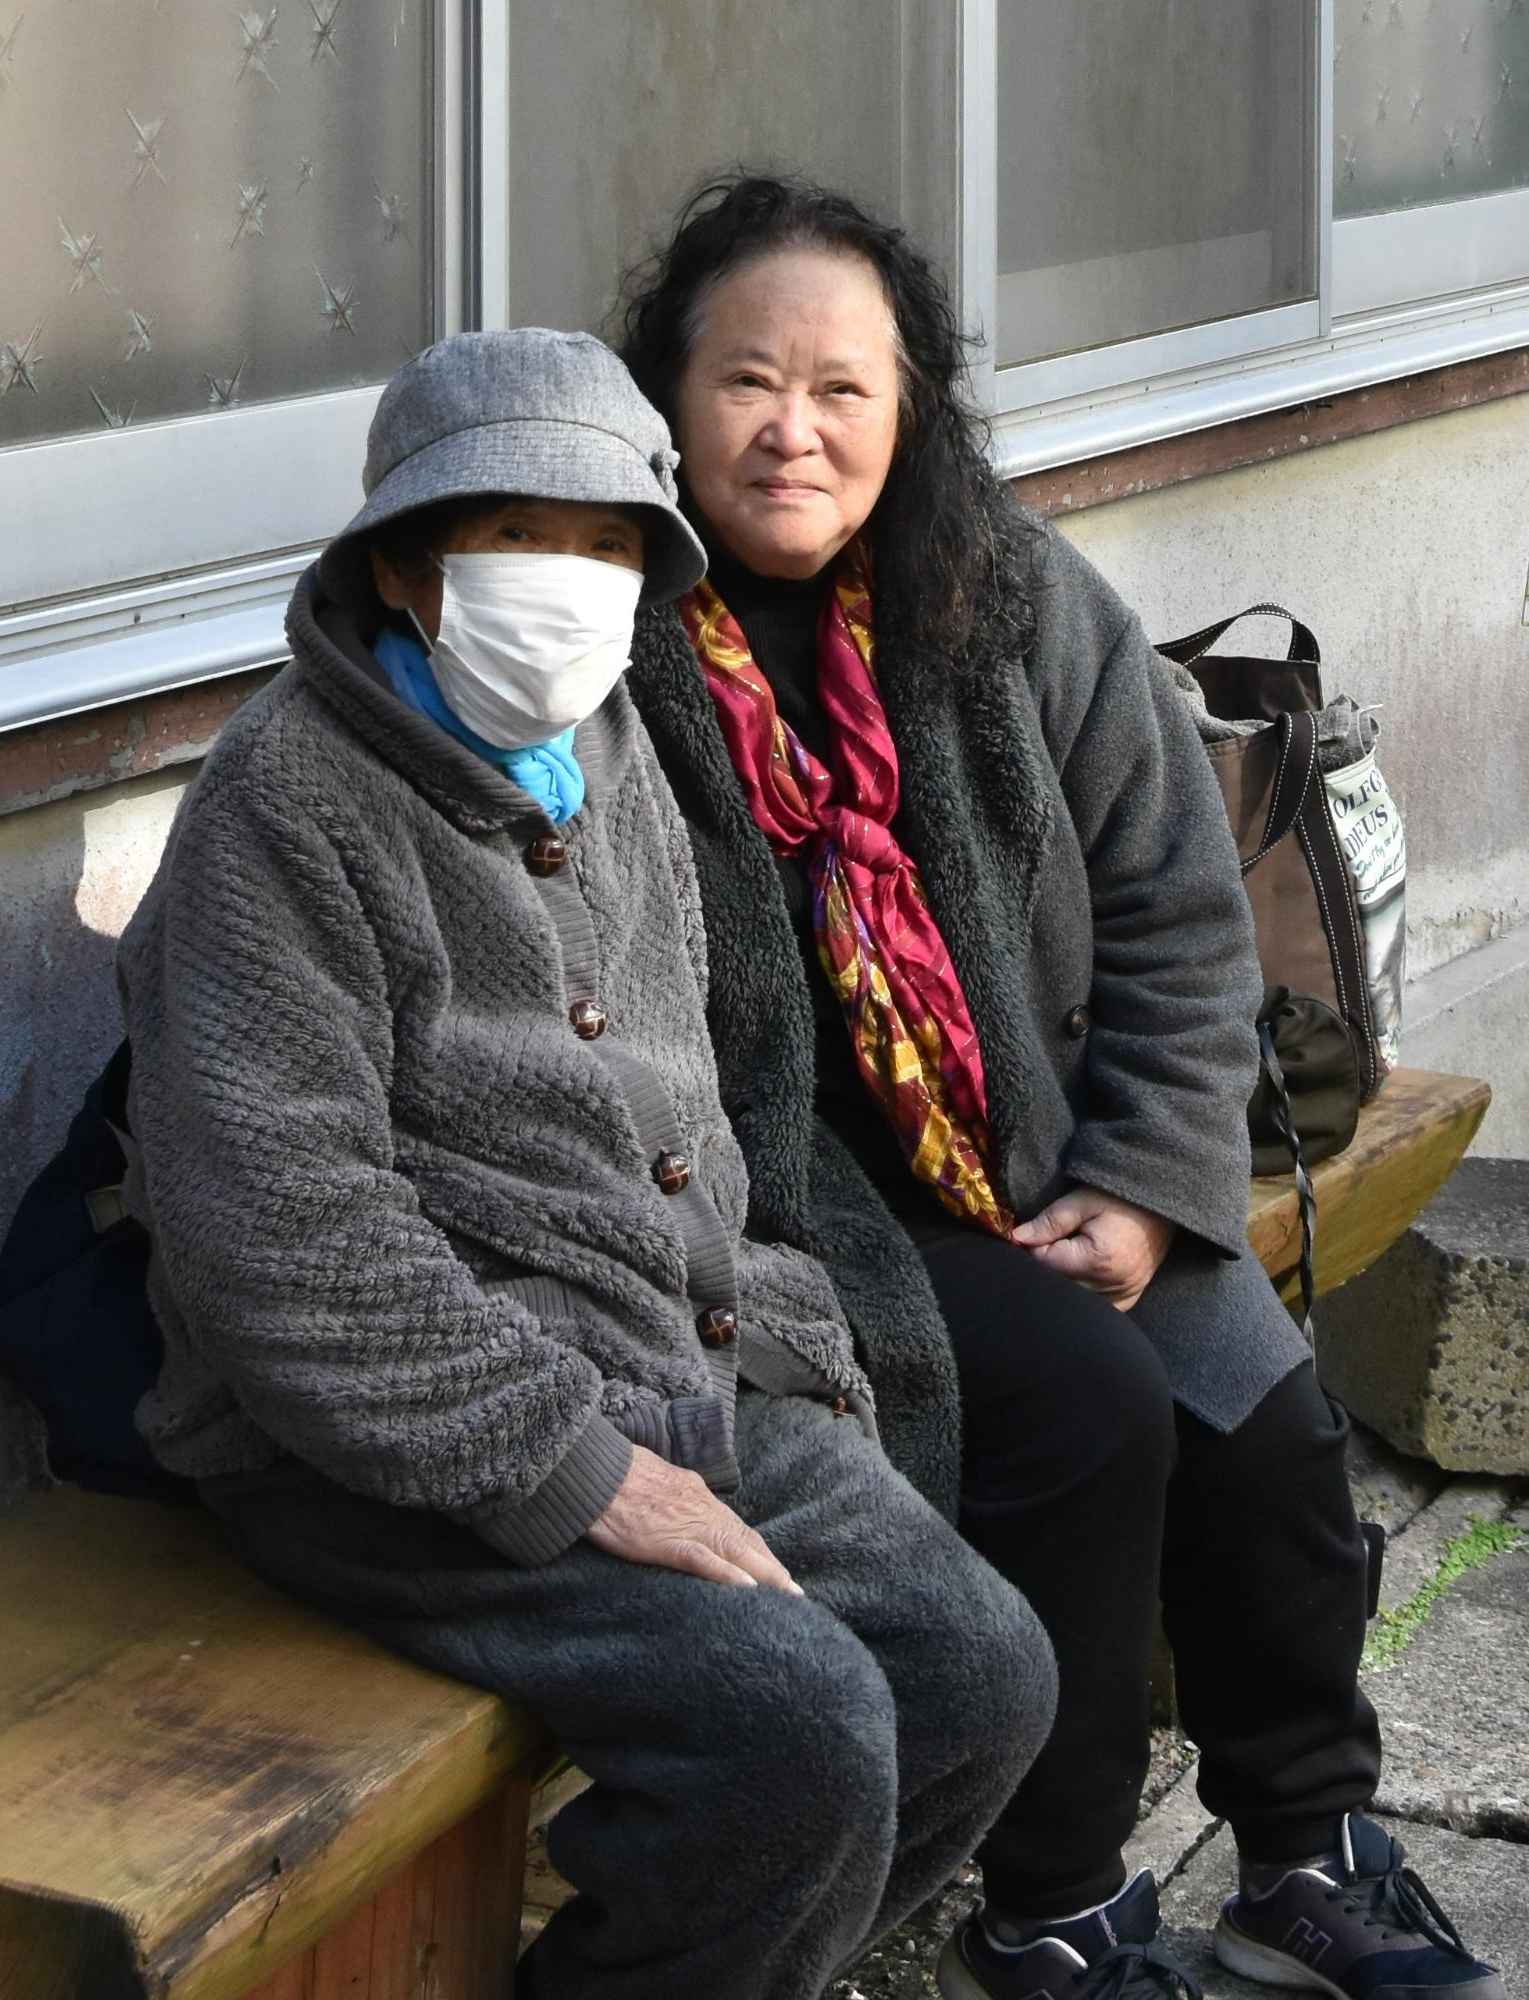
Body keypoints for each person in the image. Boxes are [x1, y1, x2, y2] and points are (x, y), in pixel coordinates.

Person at [615, 175, 1506, 2000]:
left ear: (909, 407)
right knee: (1082, 1415)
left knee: (1264, 1435)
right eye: (744, 383)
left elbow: (1181, 911)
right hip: (789, 1213)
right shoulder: (600, 640)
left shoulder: (1002, 598)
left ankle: (1305, 1848)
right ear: (667, 402)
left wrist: (1142, 1179)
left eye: (842, 387)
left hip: (1035, 1151)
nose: (794, 430)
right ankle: (1060, 1906)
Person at [114, 326, 1057, 2000]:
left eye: (608, 542)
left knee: (977, 1671)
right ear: (408, 566)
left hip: (660, 1362)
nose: (567, 579)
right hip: (382, 1434)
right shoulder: (284, 804)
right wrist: (581, 1467)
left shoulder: (611, 748)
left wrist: (771, 1338)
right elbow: (281, 1240)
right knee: (798, 1729)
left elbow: (678, 1098)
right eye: (514, 536)